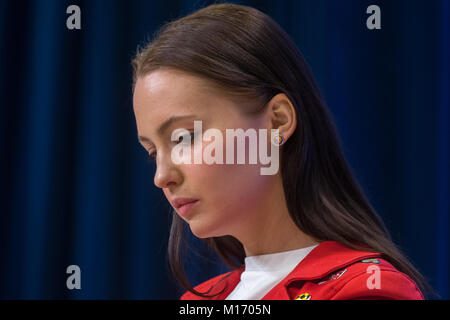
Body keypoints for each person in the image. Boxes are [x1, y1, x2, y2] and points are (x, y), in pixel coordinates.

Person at [131, 3, 430, 300]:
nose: (161, 176)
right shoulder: (198, 300)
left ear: (278, 121)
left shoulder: (367, 290)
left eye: (184, 137)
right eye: (152, 152)